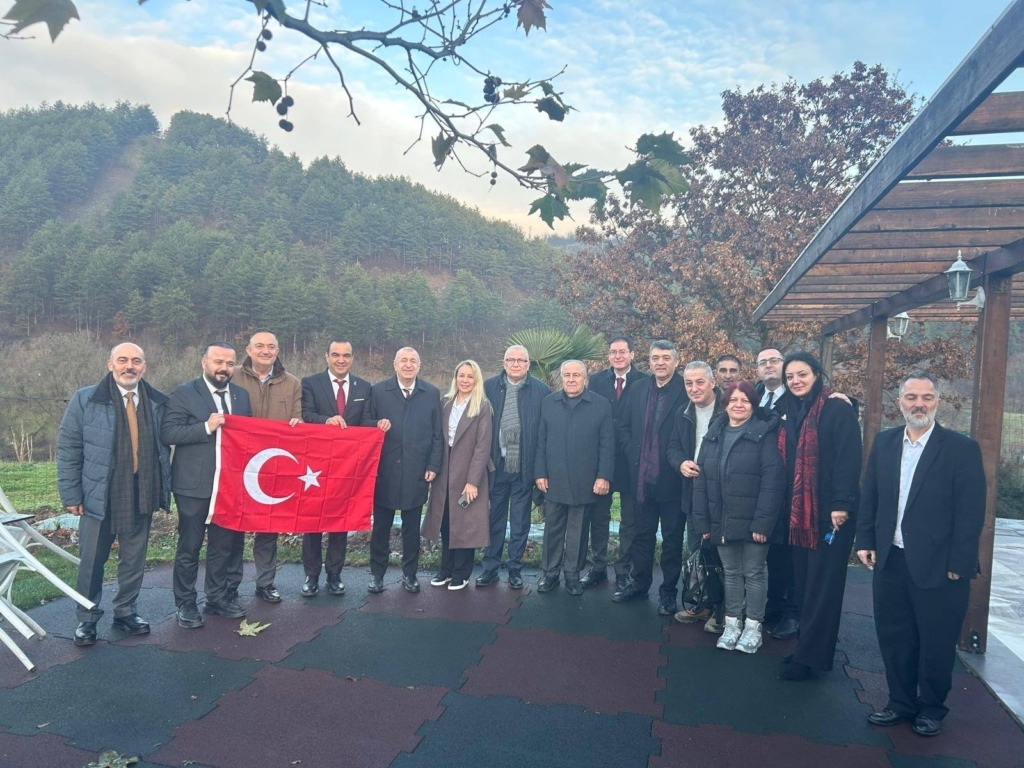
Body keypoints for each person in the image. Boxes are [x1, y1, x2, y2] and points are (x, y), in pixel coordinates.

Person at [857, 372, 985, 737]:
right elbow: (871, 495)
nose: (919, 404)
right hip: (891, 559)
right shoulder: (884, 443)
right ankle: (900, 702)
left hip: (941, 565)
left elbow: (971, 511)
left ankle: (931, 707)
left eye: (927, 397)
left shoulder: (961, 449)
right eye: (911, 397)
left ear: (937, 402)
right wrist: (865, 540)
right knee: (894, 636)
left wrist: (960, 562)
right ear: (900, 402)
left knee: (936, 641)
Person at [57, 343, 171, 646]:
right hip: (99, 493)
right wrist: (71, 493)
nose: (129, 366)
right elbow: (69, 447)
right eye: (122, 360)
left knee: (134, 558)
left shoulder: (158, 401)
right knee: (92, 561)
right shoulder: (85, 399)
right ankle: (87, 618)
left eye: (136, 361)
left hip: (142, 490)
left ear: (144, 366)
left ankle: (126, 612)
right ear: (110, 364)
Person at [775, 352, 861, 680]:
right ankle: (804, 649)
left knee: (823, 589)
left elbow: (849, 458)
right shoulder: (790, 409)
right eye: (790, 377)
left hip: (830, 515)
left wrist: (841, 504)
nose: (796, 381)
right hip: (800, 517)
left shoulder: (837, 408)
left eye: (802, 374)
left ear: (816, 374)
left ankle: (811, 659)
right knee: (805, 586)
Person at [161, 342, 253, 628]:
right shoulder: (184, 393)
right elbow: (168, 432)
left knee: (222, 546)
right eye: (218, 362)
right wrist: (205, 427)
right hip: (193, 485)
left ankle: (217, 598)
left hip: (229, 486)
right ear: (204, 363)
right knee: (189, 547)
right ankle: (185, 603)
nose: (223, 368)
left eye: (229, 363)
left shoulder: (241, 396)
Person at [690, 380, 785, 654]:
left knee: (754, 572)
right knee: (731, 573)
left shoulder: (763, 435)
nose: (738, 405)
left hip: (754, 522)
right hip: (722, 520)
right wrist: (703, 522)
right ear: (726, 404)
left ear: (753, 406)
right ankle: (732, 623)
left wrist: (763, 523)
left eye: (745, 401)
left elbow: (773, 481)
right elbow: (701, 481)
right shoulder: (714, 434)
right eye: (733, 400)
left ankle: (753, 627)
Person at [613, 340, 688, 615]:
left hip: (672, 479)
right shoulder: (638, 388)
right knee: (641, 536)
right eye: (655, 357)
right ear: (649, 360)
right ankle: (640, 584)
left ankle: (668, 593)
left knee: (671, 540)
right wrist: (630, 448)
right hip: (641, 478)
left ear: (676, 361)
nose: (660, 362)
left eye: (666, 357)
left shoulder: (685, 389)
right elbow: (622, 424)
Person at [299, 339, 378, 597]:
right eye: (336, 355)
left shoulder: (364, 386)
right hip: (316, 464)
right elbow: (307, 414)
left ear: (352, 358)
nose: (341, 359)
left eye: (346, 355)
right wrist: (326, 420)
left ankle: (334, 575)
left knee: (340, 521)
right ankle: (311, 576)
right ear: (327, 357)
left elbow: (364, 421)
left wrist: (380, 424)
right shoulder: (310, 383)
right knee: (312, 522)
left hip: (346, 465)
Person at [231, 329, 301, 604]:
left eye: (271, 346)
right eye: (259, 346)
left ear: (278, 351)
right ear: (248, 350)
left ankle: (265, 583)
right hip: (236, 463)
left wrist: (298, 424)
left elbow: (298, 418)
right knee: (233, 527)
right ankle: (230, 584)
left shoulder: (292, 383)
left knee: (268, 528)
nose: (265, 351)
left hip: (273, 465)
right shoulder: (232, 376)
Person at [534, 360, 615, 596]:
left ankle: (572, 575)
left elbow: (607, 444)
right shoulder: (549, 403)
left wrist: (603, 476)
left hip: (585, 480)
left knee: (578, 532)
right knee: (552, 529)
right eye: (567, 375)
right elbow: (541, 440)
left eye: (576, 375)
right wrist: (539, 472)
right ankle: (550, 574)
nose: (571, 379)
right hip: (554, 478)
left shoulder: (600, 405)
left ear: (585, 378)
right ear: (561, 377)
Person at [367, 347, 443, 594]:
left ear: (419, 366)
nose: (408, 365)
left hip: (416, 471)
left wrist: (433, 465)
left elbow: (437, 435)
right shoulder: (378, 391)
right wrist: (376, 424)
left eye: (413, 361)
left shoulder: (431, 393)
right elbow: (363, 425)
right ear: (395, 364)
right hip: (384, 471)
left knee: (412, 529)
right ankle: (377, 574)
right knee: (381, 528)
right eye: (403, 360)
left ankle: (410, 574)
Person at [478, 345, 551, 590]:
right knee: (494, 519)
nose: (516, 364)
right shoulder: (488, 387)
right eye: (511, 360)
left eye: (521, 360)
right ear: (504, 362)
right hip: (496, 466)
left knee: (520, 521)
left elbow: (544, 435)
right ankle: (490, 568)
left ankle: (515, 569)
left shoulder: (541, 391)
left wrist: (540, 470)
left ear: (529, 364)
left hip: (524, 468)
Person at [422, 361, 493, 590]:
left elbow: (483, 447)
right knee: (446, 520)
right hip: (445, 469)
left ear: (476, 380)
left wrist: (473, 481)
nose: (465, 380)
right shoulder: (445, 402)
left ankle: (461, 573)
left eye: (470, 376)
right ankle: (446, 569)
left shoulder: (482, 406)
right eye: (461, 375)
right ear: (455, 378)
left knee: (465, 522)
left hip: (468, 470)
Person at [666, 361, 725, 633]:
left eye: (700, 382)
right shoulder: (683, 412)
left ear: (713, 382)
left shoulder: (729, 409)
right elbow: (673, 447)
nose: (694, 388)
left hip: (723, 494)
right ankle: (703, 602)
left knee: (723, 556)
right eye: (689, 383)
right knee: (698, 552)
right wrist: (680, 463)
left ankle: (722, 611)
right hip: (692, 493)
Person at [585, 336, 648, 590]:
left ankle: (623, 569)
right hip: (601, 460)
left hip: (632, 460)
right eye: (613, 352)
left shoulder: (644, 381)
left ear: (632, 354)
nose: (618, 356)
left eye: (623, 352)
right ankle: (598, 567)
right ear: (608, 355)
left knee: (629, 520)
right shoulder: (596, 381)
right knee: (599, 516)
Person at [755, 346, 798, 640]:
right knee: (767, 549)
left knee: (788, 552)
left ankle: (791, 612)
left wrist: (847, 399)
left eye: (774, 360)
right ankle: (773, 604)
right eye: (763, 362)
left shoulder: (797, 397)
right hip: (758, 484)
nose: (769, 365)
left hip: (790, 485)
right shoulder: (754, 395)